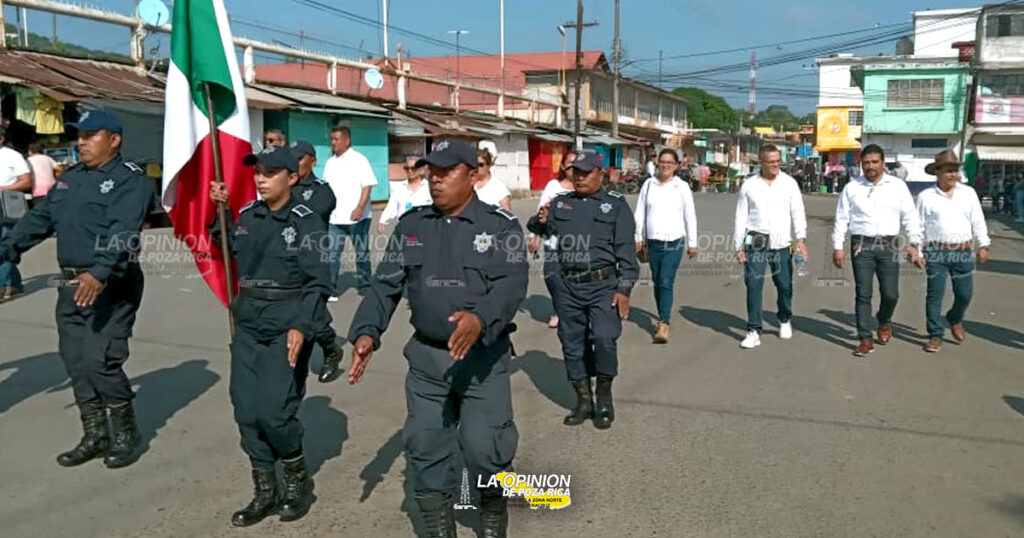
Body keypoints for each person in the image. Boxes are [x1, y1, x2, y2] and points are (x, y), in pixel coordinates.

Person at [346, 139, 527, 537]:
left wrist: (480, 319)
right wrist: (366, 332)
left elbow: (512, 284)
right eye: (431, 171)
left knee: (486, 450)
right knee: (426, 449)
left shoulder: (500, 227)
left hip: (482, 362)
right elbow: (385, 287)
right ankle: (438, 529)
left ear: (474, 174)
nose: (435, 179)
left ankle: (493, 512)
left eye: (447, 171)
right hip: (428, 363)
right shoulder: (412, 226)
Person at [0, 110, 153, 468]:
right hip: (70, 283)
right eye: (79, 135)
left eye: (90, 135)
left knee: (101, 362)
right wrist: (7, 248)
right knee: (77, 362)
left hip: (111, 283)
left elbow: (123, 231)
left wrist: (99, 273)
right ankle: (95, 434)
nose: (81, 142)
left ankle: (127, 435)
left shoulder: (130, 181)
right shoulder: (71, 179)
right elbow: (41, 219)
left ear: (113, 140)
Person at [208, 146, 331, 526]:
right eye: (257, 171)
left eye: (270, 172)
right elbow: (224, 245)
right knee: (246, 409)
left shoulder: (307, 221)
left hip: (287, 319)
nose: (260, 178)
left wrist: (301, 325)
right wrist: (222, 212)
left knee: (275, 412)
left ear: (292, 178)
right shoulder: (247, 215)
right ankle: (265, 489)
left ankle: (296, 482)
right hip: (249, 319)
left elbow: (319, 281)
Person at [527, 152, 638, 430]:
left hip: (603, 285)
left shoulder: (615, 206)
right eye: (575, 171)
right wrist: (540, 219)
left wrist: (624, 288)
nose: (579, 177)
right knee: (572, 342)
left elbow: (626, 251)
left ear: (600, 174)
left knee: (604, 338)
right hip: (568, 285)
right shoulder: (562, 203)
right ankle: (583, 400)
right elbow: (539, 228)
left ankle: (603, 397)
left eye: (586, 172)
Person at [832, 144, 924, 357]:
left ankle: (884, 321)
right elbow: (842, 218)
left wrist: (914, 243)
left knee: (891, 294)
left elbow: (910, 216)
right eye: (866, 163)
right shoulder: (852, 188)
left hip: (889, 245)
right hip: (861, 246)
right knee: (863, 293)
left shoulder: (897, 186)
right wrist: (838, 246)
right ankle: (865, 338)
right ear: (861, 164)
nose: (870, 166)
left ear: (883, 163)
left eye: (875, 162)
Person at [733, 144, 808, 350]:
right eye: (772, 162)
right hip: (755, 242)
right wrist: (738, 246)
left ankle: (784, 318)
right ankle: (754, 330)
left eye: (778, 161)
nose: (776, 165)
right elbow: (741, 216)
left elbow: (798, 212)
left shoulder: (789, 184)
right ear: (761, 163)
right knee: (753, 284)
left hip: (782, 242)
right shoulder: (749, 186)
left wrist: (800, 238)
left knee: (784, 284)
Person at [916, 150, 991, 353]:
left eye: (955, 170)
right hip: (936, 253)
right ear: (937, 172)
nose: (952, 175)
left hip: (964, 251)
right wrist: (917, 250)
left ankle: (954, 318)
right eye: (948, 170)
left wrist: (983, 245)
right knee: (935, 294)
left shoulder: (968, 193)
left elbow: (978, 221)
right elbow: (918, 226)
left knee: (965, 294)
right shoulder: (925, 197)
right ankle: (935, 334)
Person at [289, 140, 345, 383]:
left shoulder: (321, 189)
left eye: (300, 158)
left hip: (313, 259)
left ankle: (331, 348)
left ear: (312, 161)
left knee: (313, 313)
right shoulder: (283, 185)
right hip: (287, 259)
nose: (295, 163)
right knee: (296, 311)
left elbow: (316, 213)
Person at [634, 148, 698, 343]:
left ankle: (664, 323)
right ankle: (662, 312)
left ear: (677, 166)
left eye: (670, 162)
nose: (666, 165)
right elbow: (640, 212)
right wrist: (638, 237)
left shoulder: (682, 187)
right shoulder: (649, 185)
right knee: (657, 280)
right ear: (657, 163)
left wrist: (692, 243)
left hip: (674, 241)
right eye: (663, 162)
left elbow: (690, 215)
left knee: (665, 281)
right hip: (653, 241)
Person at [323, 125, 376, 298]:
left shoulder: (359, 160)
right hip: (335, 218)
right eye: (331, 139)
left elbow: (367, 185)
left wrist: (360, 207)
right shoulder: (330, 163)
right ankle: (331, 289)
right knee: (332, 254)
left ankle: (365, 285)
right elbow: (326, 188)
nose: (333, 143)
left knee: (361, 253)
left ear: (347, 140)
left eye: (336, 139)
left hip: (358, 217)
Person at [529, 149, 577, 329]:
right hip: (552, 243)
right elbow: (540, 211)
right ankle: (559, 309)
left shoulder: (582, 189)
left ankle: (567, 311)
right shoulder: (553, 186)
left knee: (571, 280)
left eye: (576, 164)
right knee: (552, 277)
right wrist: (535, 237)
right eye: (569, 163)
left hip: (575, 244)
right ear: (563, 166)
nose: (572, 167)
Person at [0, 127, 32, 300]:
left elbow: (26, 181)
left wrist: (2, 188)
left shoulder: (12, 156)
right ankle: (15, 284)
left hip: (7, 206)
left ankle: (2, 285)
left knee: (5, 244)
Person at [378, 155, 432, 232]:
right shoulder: (399, 187)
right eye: (407, 168)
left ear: (421, 170)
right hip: (403, 228)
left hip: (424, 229)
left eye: (413, 168)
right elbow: (391, 206)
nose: (409, 171)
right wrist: (383, 220)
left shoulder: (430, 188)